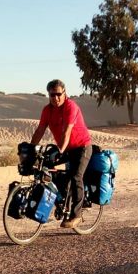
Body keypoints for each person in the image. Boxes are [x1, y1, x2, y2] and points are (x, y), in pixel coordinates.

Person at [30, 79, 92, 228]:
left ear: (64, 93)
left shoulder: (71, 107)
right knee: (48, 169)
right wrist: (31, 148)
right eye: (52, 95)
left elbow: (67, 132)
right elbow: (40, 130)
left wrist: (61, 151)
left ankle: (76, 215)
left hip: (81, 147)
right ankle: (62, 200)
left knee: (76, 176)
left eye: (58, 94)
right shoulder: (47, 110)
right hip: (65, 148)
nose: (55, 98)